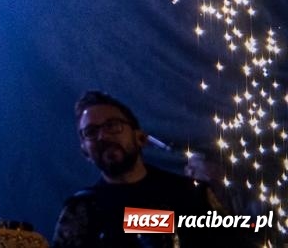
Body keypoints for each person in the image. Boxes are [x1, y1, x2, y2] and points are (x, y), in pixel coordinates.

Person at [52, 90, 249, 247]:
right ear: (85, 152)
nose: (102, 136)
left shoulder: (190, 193)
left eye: (112, 125)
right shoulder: (82, 210)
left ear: (140, 137)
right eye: (90, 132)